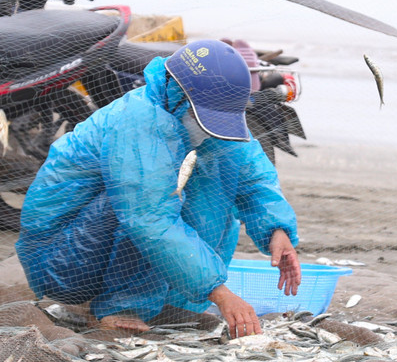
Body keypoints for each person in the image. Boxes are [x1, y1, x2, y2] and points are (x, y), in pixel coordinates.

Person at [17, 39, 301, 337]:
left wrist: (276, 231)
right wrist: (220, 293)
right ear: (178, 93)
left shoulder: (205, 120)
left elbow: (252, 174)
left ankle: (165, 299)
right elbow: (149, 218)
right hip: (62, 260)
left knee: (216, 175)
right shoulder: (138, 120)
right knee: (150, 202)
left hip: (110, 241)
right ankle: (122, 306)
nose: (211, 125)